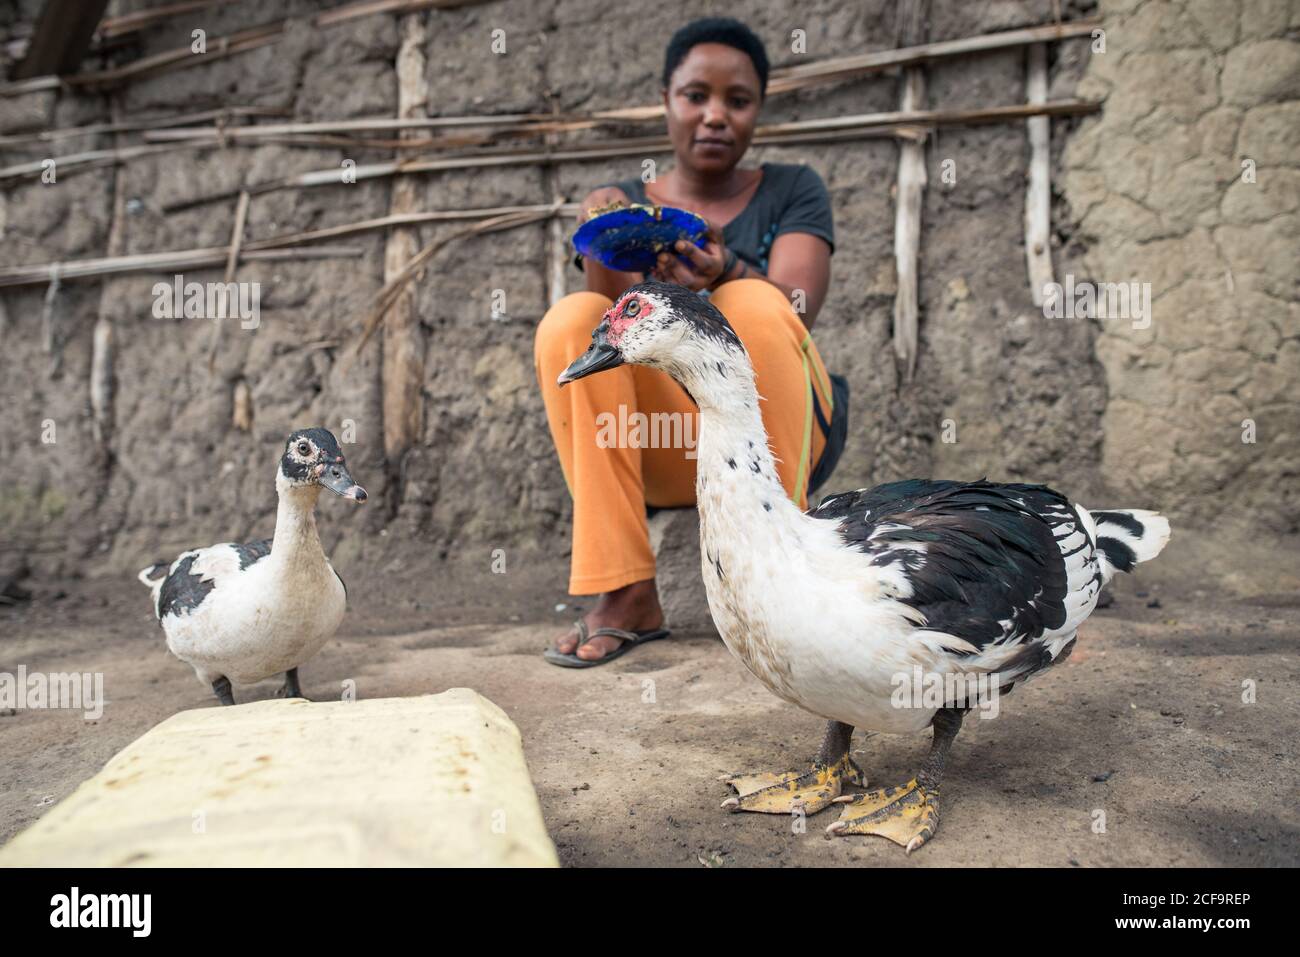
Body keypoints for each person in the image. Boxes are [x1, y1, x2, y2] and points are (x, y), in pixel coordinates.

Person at [535, 16, 839, 666]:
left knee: (753, 301)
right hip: (661, 445)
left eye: (738, 100)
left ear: (758, 110)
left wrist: (727, 271)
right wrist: (605, 232)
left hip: (768, 435)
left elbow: (798, 306)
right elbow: (603, 323)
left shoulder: (792, 189)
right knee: (569, 320)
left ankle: (782, 577)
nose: (714, 116)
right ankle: (625, 590)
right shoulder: (630, 206)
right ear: (666, 101)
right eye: (695, 95)